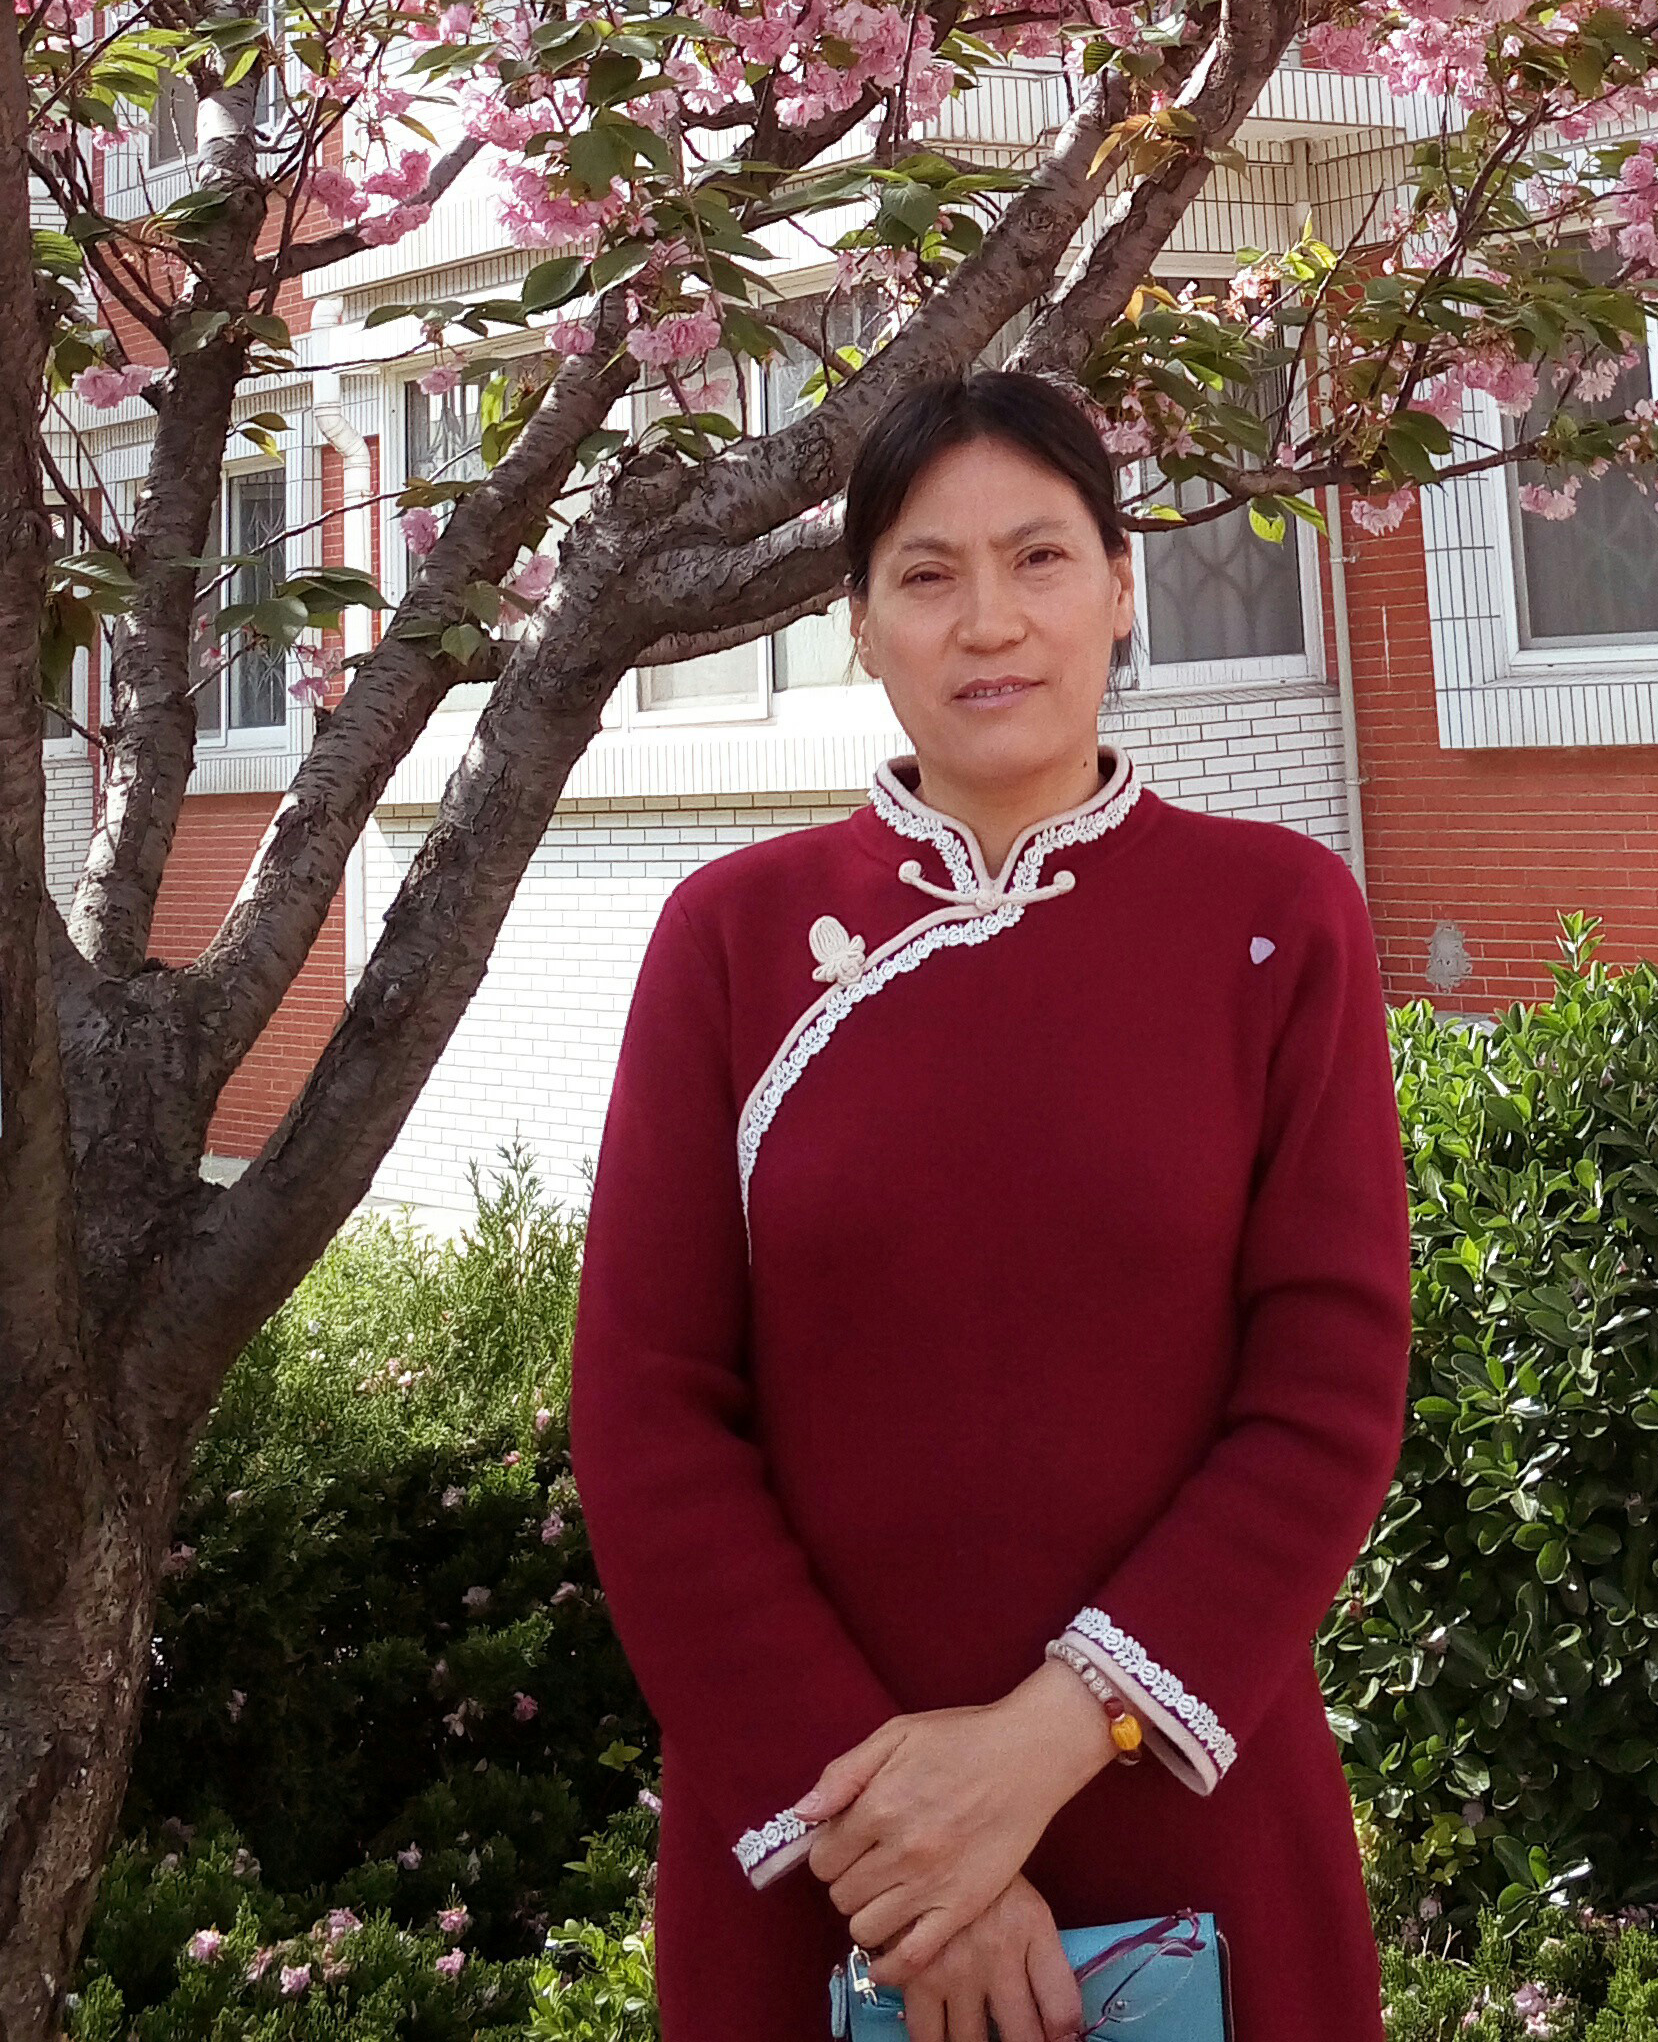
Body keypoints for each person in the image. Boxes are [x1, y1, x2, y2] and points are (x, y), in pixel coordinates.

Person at [570, 368, 1414, 2041]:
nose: (990, 624)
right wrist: (904, 1857)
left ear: (1121, 586)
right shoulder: (732, 943)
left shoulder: (1276, 921)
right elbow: (649, 1417)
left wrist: (1045, 1742)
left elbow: (1325, 1391)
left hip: (1189, 1795)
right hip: (827, 1859)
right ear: (862, 624)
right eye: (927, 574)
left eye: (1038, 559)